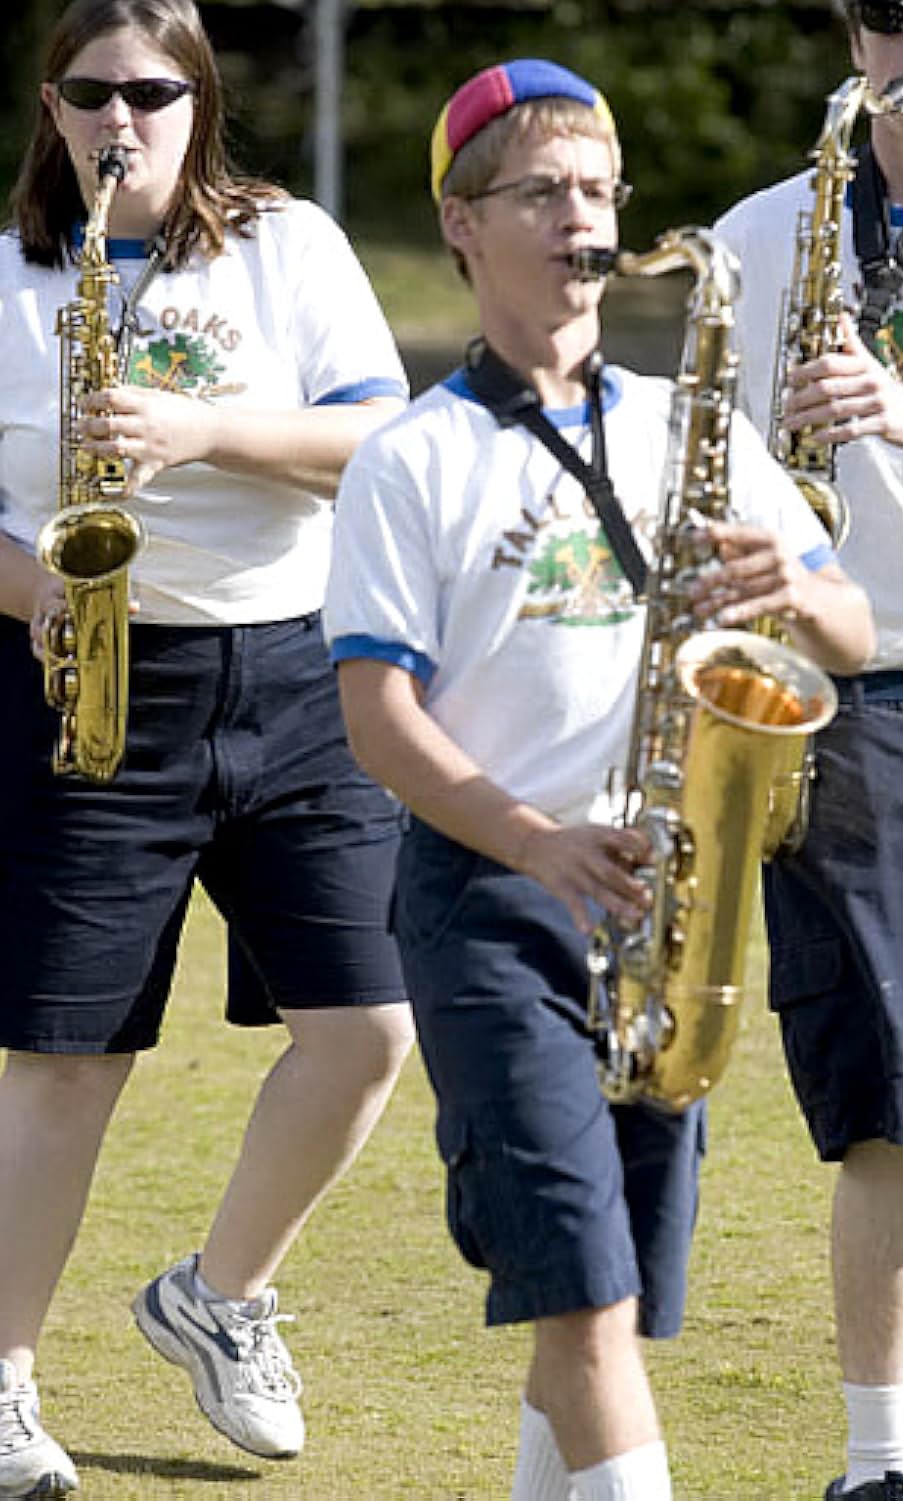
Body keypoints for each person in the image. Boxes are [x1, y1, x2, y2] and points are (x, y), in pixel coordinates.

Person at [325, 56, 875, 1501]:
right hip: (491, 899)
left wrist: (795, 590)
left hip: (660, 893)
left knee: (607, 1280)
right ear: (462, 224)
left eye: (600, 188)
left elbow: (856, 626)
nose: (585, 215)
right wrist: (533, 842)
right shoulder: (413, 457)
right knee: (578, 1286)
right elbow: (378, 717)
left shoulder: (675, 422)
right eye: (545, 190)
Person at [0, 0, 415, 1494]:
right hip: (95, 684)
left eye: (154, 92)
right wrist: (41, 586)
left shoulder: (288, 246)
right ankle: (2, 1384)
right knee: (66, 1065)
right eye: (94, 93)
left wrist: (198, 431)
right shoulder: (11, 274)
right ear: (55, 111)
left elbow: (385, 435)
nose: (126, 120)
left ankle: (220, 1294)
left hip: (299, 673)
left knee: (367, 1031)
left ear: (199, 98)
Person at [714, 2, 903, 1497]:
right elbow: (701, 459)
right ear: (851, 33)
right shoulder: (763, 235)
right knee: (889, 1101)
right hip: (851, 707)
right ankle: (877, 1461)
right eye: (890, 10)